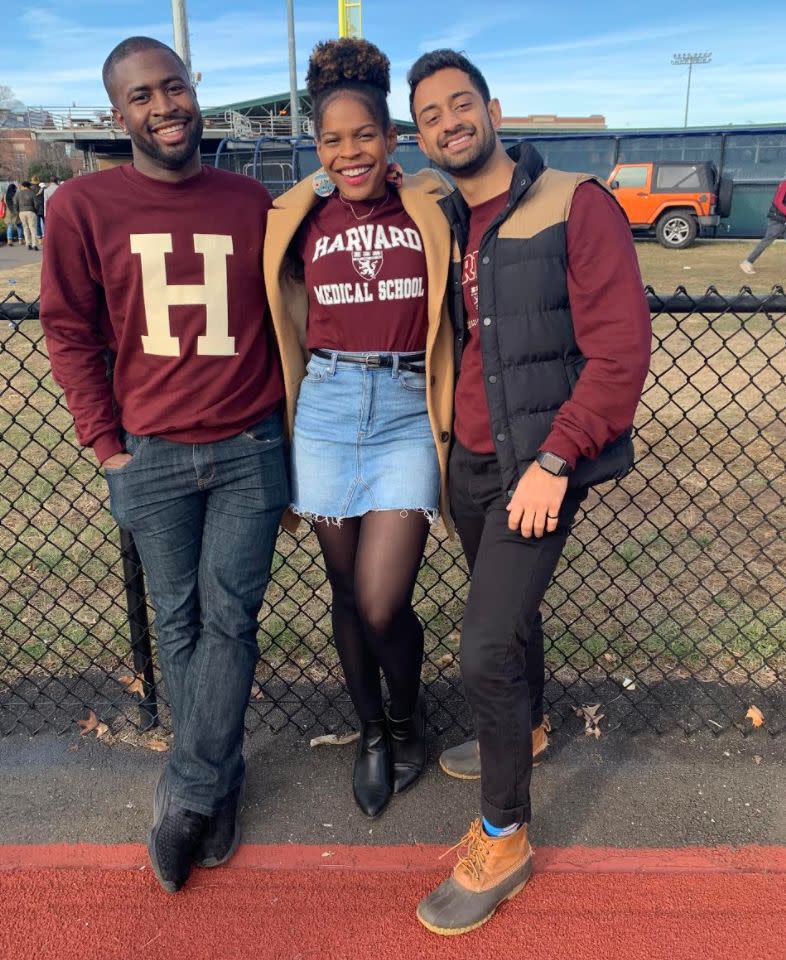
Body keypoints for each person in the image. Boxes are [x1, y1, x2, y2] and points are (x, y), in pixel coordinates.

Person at [407, 49, 652, 934]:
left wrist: (555, 461)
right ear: (422, 136)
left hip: (535, 464)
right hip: (467, 461)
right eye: (430, 115)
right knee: (510, 624)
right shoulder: (441, 215)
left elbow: (620, 353)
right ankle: (532, 727)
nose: (449, 123)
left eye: (460, 104)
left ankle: (505, 835)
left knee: (483, 648)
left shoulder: (573, 204)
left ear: (493, 107)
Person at [40, 36, 291, 895]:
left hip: (249, 446)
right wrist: (105, 446)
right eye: (142, 96)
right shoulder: (81, 204)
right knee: (179, 623)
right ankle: (220, 779)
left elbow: (321, 251)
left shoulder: (252, 198)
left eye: (174, 87)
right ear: (120, 115)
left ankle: (187, 794)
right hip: (147, 453)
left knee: (229, 619)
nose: (164, 106)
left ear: (195, 92)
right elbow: (68, 330)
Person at [264, 38, 455, 818]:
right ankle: (373, 732)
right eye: (333, 140)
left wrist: (423, 181)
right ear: (317, 149)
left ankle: (409, 725)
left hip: (409, 407)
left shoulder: (429, 203)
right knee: (344, 589)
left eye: (365, 135)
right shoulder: (301, 214)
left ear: (392, 138)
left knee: (382, 600)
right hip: (328, 408)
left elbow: (470, 189)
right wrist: (318, 183)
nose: (351, 152)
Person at [740, 177, 786, 274]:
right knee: (767, 240)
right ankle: (747, 262)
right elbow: (777, 202)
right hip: (777, 218)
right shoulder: (785, 184)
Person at [15, 180, 38, 250]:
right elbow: (36, 204)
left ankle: (28, 244)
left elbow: (15, 203)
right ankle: (34, 244)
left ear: (23, 186)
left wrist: (18, 211)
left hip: (21, 212)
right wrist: (35, 211)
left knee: (25, 228)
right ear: (28, 186)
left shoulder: (18, 193)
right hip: (31, 211)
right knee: (33, 228)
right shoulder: (32, 193)